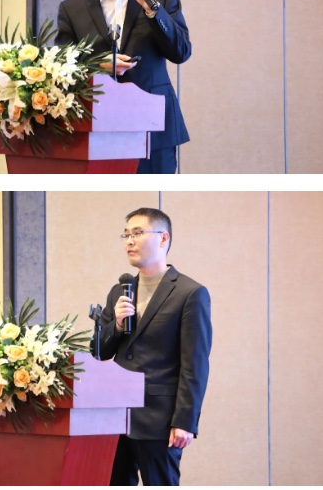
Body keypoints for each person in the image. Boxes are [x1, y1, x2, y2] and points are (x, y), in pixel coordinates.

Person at [55, 0, 191, 174]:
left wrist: (154, 12)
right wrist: (96, 65)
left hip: (154, 126)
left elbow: (181, 52)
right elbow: (62, 66)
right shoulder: (72, 9)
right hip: (97, 127)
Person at [91, 207, 212, 485]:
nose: (129, 241)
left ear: (163, 238)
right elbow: (99, 352)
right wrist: (117, 326)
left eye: (138, 233)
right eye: (126, 235)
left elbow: (195, 365)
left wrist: (185, 421)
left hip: (159, 419)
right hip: (114, 416)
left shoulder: (189, 293)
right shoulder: (119, 291)